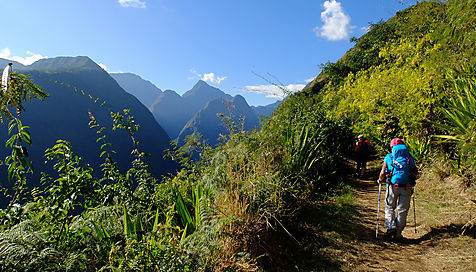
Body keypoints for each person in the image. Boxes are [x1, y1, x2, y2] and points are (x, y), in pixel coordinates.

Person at [377, 138, 418, 240]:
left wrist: (380, 180)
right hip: (407, 186)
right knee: (402, 210)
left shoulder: (389, 157)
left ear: (392, 147)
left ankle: (391, 227)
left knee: (390, 207)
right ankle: (398, 234)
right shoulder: (409, 157)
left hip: (392, 186)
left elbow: (382, 172)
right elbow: (415, 172)